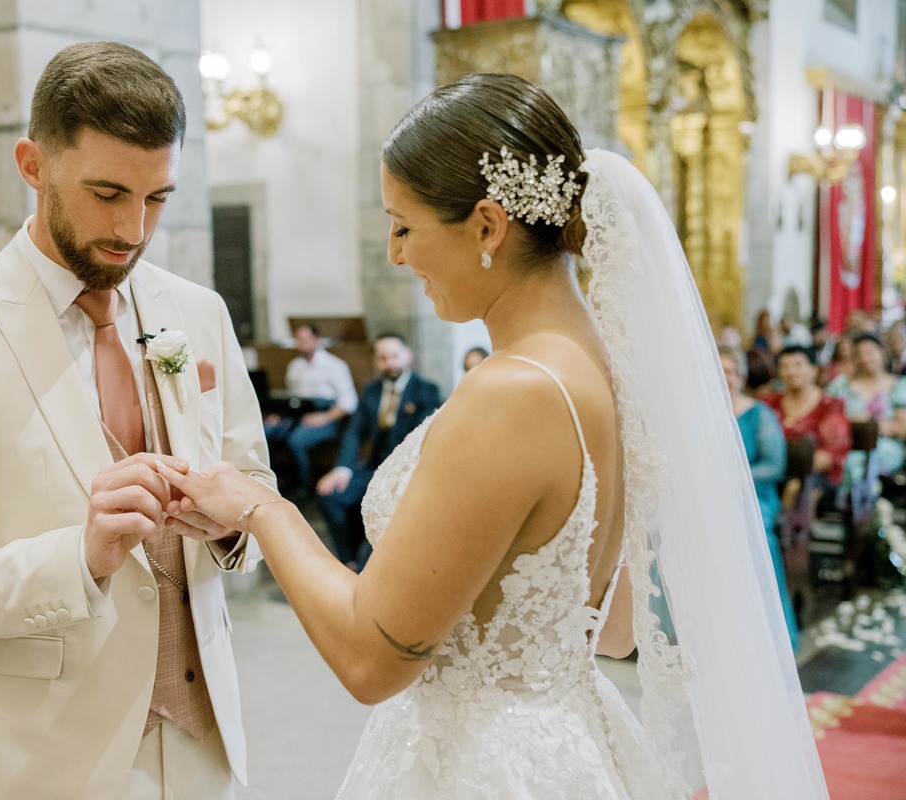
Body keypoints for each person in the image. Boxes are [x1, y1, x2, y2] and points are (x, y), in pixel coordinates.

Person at [157, 74, 826, 797]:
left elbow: (370, 660)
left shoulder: (515, 392)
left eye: (405, 225)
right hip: (568, 737)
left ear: (486, 225)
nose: (395, 254)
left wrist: (262, 508)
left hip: (486, 766)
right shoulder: (610, 368)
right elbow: (614, 629)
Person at [0, 42, 273, 799]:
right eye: (107, 192)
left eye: (158, 197)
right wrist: (82, 555)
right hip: (43, 759)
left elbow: (253, 485)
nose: (134, 229)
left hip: (204, 744)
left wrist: (227, 526)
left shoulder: (199, 312)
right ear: (33, 164)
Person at [316, 333, 442, 571]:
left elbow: (428, 438)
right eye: (383, 358)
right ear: (376, 360)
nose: (390, 363)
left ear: (407, 355)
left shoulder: (427, 391)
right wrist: (342, 469)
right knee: (330, 495)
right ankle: (348, 561)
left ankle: (370, 569)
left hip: (408, 473)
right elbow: (354, 432)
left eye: (394, 356)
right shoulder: (371, 391)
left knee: (384, 507)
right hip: (374, 468)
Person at [719, 345, 798, 649]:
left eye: (731, 371)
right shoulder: (703, 413)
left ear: (741, 375)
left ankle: (767, 633)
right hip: (714, 497)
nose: (725, 377)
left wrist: (738, 478)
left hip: (754, 497)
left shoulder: (759, 413)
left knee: (747, 532)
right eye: (720, 370)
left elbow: (774, 465)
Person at [263, 324, 358, 496]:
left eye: (306, 339)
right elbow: (292, 397)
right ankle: (270, 483)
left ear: (316, 340)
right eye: (298, 340)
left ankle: (303, 487)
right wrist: (280, 415)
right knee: (266, 431)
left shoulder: (334, 365)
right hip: (297, 414)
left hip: (327, 416)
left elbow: (349, 402)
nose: (302, 344)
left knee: (296, 441)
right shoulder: (295, 366)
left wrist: (325, 417)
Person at [767, 345, 851, 495]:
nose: (791, 371)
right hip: (774, 474)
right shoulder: (770, 403)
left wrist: (790, 469)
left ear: (813, 370)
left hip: (816, 478)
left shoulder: (830, 406)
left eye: (798, 365)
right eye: (784, 366)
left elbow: (829, 455)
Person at [826, 332, 906, 485]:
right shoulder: (840, 385)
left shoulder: (899, 386)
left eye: (870, 352)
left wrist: (872, 425)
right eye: (858, 354)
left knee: (859, 464)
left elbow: (903, 427)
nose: (865, 358)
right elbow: (827, 417)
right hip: (845, 444)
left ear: (882, 353)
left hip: (883, 447)